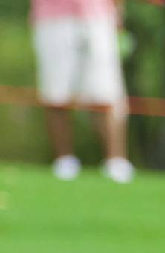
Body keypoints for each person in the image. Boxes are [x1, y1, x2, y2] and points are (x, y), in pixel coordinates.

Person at [30, 0, 134, 183]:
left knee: (105, 92)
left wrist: (119, 9)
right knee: (56, 93)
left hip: (98, 14)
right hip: (51, 15)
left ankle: (116, 163)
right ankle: (64, 161)